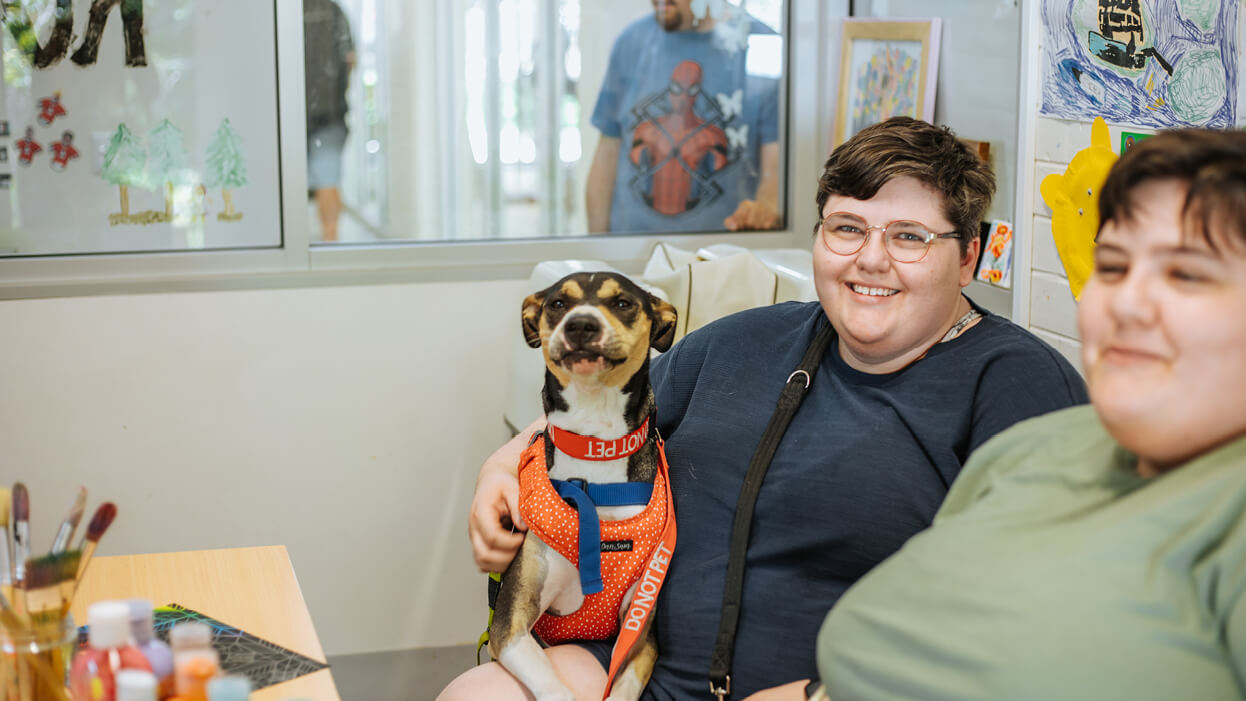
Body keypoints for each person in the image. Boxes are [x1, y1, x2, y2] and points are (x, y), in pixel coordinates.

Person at [440, 117, 1088, 701]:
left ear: (969, 255)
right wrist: (501, 468)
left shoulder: (1015, 383)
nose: (870, 258)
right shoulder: (741, 342)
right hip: (643, 672)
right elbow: (597, 416)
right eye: (847, 227)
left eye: (910, 237)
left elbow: (1030, 612)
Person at [814, 128, 1246, 700]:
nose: (1126, 303)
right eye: (1112, 266)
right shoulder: (1040, 447)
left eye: (1186, 274)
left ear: (967, 258)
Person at [586, 0, 782, 234]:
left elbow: (776, 171)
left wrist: (764, 216)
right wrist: (597, 250)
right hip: (631, 255)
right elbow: (607, 152)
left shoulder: (760, 45)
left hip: (720, 256)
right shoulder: (631, 43)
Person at [303, 0, 355, 242]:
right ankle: (330, 241)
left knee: (288, 180)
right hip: (329, 113)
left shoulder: (281, 13)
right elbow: (350, 59)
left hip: (293, 115)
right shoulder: (333, 10)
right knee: (328, 179)